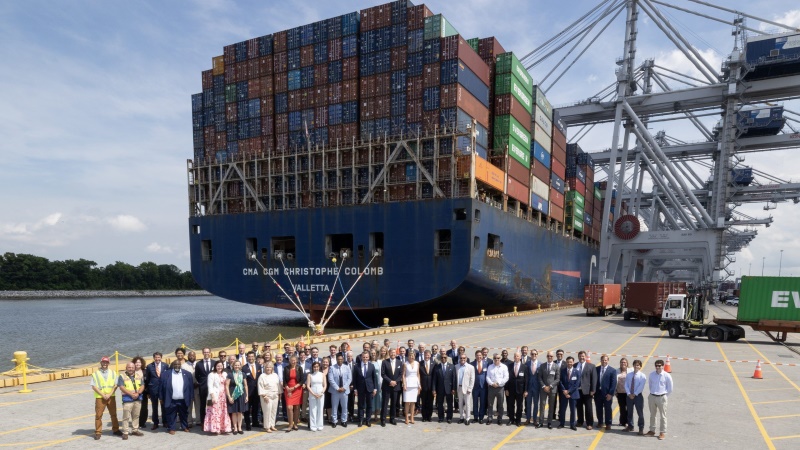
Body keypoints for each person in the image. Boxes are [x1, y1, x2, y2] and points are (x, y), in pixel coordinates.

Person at [160, 360, 194, 434]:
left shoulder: (187, 374)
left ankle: (185, 426)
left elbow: (191, 387)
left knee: (184, 414)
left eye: (178, 365)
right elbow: (161, 387)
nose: (177, 366)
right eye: (175, 365)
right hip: (171, 399)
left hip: (183, 399)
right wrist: (161, 398)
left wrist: (191, 397)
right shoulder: (165, 374)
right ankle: (171, 428)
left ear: (180, 365)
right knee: (171, 415)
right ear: (173, 365)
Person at [90, 356, 120, 440]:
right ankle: (98, 432)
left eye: (106, 362)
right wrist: (103, 395)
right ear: (101, 363)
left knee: (113, 414)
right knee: (98, 416)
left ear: (108, 363)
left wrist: (109, 394)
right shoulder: (95, 374)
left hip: (111, 397)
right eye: (103, 362)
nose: (105, 364)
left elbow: (116, 385)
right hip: (100, 397)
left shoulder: (113, 373)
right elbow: (93, 386)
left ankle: (116, 429)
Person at [647, 359, 673, 440]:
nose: (658, 367)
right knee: (652, 415)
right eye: (656, 366)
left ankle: (662, 432)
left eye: (659, 366)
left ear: (662, 366)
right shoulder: (651, 375)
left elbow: (670, 388)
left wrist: (664, 396)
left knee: (663, 416)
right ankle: (652, 430)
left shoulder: (667, 375)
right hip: (652, 396)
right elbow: (650, 385)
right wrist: (653, 394)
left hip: (662, 397)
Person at [117, 362, 144, 440]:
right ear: (126, 368)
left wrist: (138, 393)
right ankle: (125, 432)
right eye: (129, 367)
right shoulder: (122, 376)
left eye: (132, 367)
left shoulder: (138, 376)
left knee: (136, 416)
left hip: (137, 398)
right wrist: (131, 394)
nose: (131, 369)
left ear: (134, 368)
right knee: (126, 417)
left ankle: (135, 430)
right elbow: (121, 387)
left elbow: (142, 385)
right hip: (127, 399)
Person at [204, 361, 231, 435]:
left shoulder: (225, 374)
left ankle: (223, 427)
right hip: (215, 396)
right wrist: (212, 396)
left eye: (221, 366)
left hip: (224, 396)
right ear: (215, 366)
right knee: (215, 413)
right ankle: (216, 429)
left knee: (223, 412)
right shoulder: (211, 374)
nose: (220, 367)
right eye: (218, 366)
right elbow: (210, 386)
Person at [143, 352, 168, 430]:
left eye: (159, 357)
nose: (157, 359)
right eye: (156, 357)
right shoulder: (149, 366)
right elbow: (147, 379)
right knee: (154, 407)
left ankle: (165, 422)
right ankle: (155, 423)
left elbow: (168, 377)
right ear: (154, 358)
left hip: (163, 389)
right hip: (153, 389)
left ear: (161, 357)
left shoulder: (165, 365)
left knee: (164, 406)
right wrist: (147, 392)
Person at [353, 350, 376, 427]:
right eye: (364, 357)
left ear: (369, 357)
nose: (365, 358)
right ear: (361, 357)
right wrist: (355, 389)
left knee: (369, 405)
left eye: (366, 357)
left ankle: (368, 420)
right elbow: (355, 379)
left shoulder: (372, 366)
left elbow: (374, 378)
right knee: (361, 405)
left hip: (369, 388)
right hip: (360, 388)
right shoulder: (356, 366)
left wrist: (375, 388)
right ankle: (361, 420)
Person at [537, 351, 560, 429]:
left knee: (551, 406)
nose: (549, 357)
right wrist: (544, 386)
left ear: (553, 357)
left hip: (552, 389)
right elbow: (539, 377)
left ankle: (549, 422)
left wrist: (550, 386)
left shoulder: (556, 366)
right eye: (548, 356)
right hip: (543, 389)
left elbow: (557, 379)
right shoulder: (542, 366)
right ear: (546, 357)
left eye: (551, 356)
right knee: (542, 406)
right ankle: (541, 422)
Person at [380, 348, 403, 426]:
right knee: (385, 404)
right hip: (386, 386)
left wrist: (395, 382)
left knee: (394, 403)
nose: (393, 354)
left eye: (394, 353)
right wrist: (390, 381)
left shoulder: (400, 362)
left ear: (396, 353)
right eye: (391, 353)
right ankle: (383, 419)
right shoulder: (384, 362)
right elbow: (383, 374)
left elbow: (401, 374)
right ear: (389, 353)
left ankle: (392, 418)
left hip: (396, 386)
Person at [595, 354, 618, 431]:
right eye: (603, 360)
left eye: (605, 360)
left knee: (608, 409)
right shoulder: (596, 369)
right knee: (598, 408)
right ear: (600, 361)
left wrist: (610, 394)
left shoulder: (612, 370)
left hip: (607, 394)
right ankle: (600, 422)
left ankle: (608, 423)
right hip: (598, 393)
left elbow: (613, 383)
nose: (604, 361)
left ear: (608, 361)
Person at [575, 350, 597, 430]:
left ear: (585, 357)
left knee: (588, 408)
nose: (582, 357)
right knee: (579, 407)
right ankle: (580, 421)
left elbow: (594, 379)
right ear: (578, 357)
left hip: (587, 391)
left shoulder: (591, 366)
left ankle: (589, 423)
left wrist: (593, 390)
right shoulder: (575, 365)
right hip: (577, 390)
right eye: (580, 356)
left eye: (583, 356)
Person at [433, 351, 456, 424]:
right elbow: (434, 380)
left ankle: (449, 418)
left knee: (449, 404)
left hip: (449, 389)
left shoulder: (452, 366)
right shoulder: (437, 367)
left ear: (447, 358)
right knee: (440, 404)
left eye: (445, 357)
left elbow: (454, 379)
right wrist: (434, 389)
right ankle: (441, 417)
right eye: (442, 357)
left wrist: (453, 388)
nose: (443, 358)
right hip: (440, 389)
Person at [505, 351, 528, 426]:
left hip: (520, 390)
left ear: (520, 357)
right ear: (513, 357)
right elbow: (507, 378)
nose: (516, 357)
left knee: (519, 406)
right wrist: (506, 389)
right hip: (511, 390)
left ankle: (518, 420)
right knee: (511, 405)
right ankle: (511, 419)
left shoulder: (524, 367)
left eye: (517, 356)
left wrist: (525, 390)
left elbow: (526, 380)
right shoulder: (510, 366)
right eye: (515, 356)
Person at [328, 354, 351, 428]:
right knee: (334, 407)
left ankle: (344, 420)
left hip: (344, 391)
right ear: (336, 360)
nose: (340, 360)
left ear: (343, 360)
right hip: (335, 391)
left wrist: (344, 387)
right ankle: (334, 421)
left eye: (341, 359)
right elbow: (330, 379)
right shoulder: (332, 368)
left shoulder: (347, 367)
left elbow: (349, 379)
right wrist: (337, 388)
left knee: (344, 407)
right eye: (338, 359)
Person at [624, 359, 647, 435]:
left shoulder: (642, 376)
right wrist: (629, 393)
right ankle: (630, 425)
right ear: (633, 365)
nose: (636, 366)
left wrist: (634, 394)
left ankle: (641, 427)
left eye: (638, 365)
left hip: (638, 396)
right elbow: (626, 385)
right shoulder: (629, 375)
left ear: (640, 367)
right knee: (629, 412)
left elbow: (641, 387)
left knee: (640, 413)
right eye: (635, 365)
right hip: (629, 395)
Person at [258, 361, 281, 433]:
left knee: (274, 411)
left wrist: (279, 395)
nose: (268, 369)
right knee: (267, 411)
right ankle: (267, 426)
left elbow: (278, 385)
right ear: (265, 368)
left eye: (270, 367)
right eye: (267, 367)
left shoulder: (275, 375)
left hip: (275, 395)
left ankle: (272, 425)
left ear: (272, 368)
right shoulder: (262, 376)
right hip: (267, 396)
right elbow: (260, 387)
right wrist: (264, 396)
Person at [226, 360, 248, 434]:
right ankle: (235, 428)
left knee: (240, 412)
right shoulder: (230, 375)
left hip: (241, 394)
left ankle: (240, 428)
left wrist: (247, 396)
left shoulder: (243, 374)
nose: (237, 366)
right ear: (233, 366)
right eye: (235, 365)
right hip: (233, 395)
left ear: (240, 366)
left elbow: (245, 385)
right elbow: (226, 386)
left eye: (238, 365)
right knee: (234, 412)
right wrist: (229, 397)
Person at [486, 353, 508, 425]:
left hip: (500, 388)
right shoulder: (490, 367)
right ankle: (489, 418)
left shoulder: (504, 367)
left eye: (498, 358)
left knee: (500, 404)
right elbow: (487, 377)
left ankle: (500, 418)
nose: (496, 359)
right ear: (493, 359)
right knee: (490, 404)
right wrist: (492, 383)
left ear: (500, 359)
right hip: (491, 387)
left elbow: (506, 377)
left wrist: (498, 383)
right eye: (495, 358)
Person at [559, 356, 581, 430]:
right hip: (564, 394)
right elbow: (560, 381)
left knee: (573, 410)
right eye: (568, 362)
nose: (569, 363)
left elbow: (577, 384)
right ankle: (562, 423)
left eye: (571, 362)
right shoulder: (562, 371)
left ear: (573, 362)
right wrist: (564, 391)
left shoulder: (577, 372)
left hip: (573, 394)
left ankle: (572, 424)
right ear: (566, 362)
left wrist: (568, 391)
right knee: (562, 409)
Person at [242, 351, 262, 430]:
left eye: (252, 356)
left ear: (255, 357)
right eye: (249, 357)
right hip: (248, 392)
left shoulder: (258, 366)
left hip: (257, 391)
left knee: (256, 408)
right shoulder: (244, 368)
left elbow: (260, 378)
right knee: (247, 408)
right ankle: (247, 423)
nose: (251, 358)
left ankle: (255, 422)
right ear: (247, 357)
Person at [284, 355, 304, 432]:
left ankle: (295, 424)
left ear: (296, 360)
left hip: (297, 389)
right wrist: (288, 388)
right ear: (289, 361)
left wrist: (294, 387)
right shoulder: (286, 368)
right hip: (288, 389)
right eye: (291, 360)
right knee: (289, 407)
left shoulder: (299, 368)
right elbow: (284, 380)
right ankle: (290, 424)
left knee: (296, 407)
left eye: (294, 360)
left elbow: (302, 380)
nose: (293, 362)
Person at [195, 347, 214, 426]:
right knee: (202, 405)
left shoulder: (214, 362)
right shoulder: (199, 364)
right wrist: (201, 383)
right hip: (202, 387)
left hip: (212, 388)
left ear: (210, 353)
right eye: (205, 352)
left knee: (212, 404)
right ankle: (203, 422)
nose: (206, 353)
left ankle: (212, 421)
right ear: (202, 353)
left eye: (207, 352)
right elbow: (197, 375)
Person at [306, 361, 327, 431]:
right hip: (312, 393)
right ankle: (313, 425)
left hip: (321, 393)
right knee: (312, 409)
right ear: (312, 367)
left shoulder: (322, 374)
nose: (316, 368)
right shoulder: (310, 375)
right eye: (314, 367)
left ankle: (320, 425)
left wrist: (321, 393)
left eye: (317, 367)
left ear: (319, 367)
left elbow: (325, 385)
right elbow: (308, 386)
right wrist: (313, 394)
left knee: (320, 409)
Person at [456, 353, 476, 425]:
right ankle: (461, 417)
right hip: (459, 388)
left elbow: (472, 379)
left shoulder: (470, 367)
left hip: (467, 388)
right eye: (461, 358)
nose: (462, 359)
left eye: (464, 358)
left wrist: (470, 388)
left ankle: (467, 418)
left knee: (467, 404)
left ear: (466, 359)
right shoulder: (456, 366)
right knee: (460, 403)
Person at [402, 349, 420, 425]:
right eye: (410, 356)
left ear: (414, 356)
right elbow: (403, 375)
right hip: (408, 383)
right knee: (407, 402)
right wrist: (404, 384)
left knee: (413, 402)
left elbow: (418, 374)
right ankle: (406, 417)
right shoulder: (405, 364)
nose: (411, 357)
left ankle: (412, 417)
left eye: (412, 356)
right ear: (408, 356)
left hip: (415, 384)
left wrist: (419, 385)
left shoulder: (417, 364)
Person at [524, 349, 541, 426]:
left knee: (536, 404)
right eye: (532, 354)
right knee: (528, 404)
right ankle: (528, 419)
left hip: (537, 387)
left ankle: (534, 419)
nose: (534, 355)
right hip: (529, 387)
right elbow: (526, 377)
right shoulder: (527, 364)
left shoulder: (540, 364)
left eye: (535, 354)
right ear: (530, 355)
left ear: (537, 355)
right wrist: (525, 389)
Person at [471, 350, 488, 424]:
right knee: (475, 402)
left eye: (480, 355)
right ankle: (475, 417)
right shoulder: (472, 364)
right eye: (477, 355)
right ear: (475, 356)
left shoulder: (486, 364)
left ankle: (481, 417)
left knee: (482, 402)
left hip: (483, 386)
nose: (479, 357)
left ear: (482, 356)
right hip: (475, 386)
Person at [184, 350, 200, 427]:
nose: (192, 357)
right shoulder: (184, 365)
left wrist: (198, 383)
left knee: (198, 404)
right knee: (189, 406)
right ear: (188, 357)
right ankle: (189, 421)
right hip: (188, 388)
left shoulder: (199, 364)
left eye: (193, 355)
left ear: (195, 356)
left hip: (197, 387)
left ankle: (198, 420)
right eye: (190, 356)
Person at [132, 356, 148, 431]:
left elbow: (148, 382)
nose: (138, 364)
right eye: (136, 362)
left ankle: (142, 422)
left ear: (142, 363)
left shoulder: (145, 371)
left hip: (144, 392)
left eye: (139, 362)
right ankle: (135, 422)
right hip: (134, 392)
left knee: (144, 408)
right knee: (135, 408)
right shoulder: (131, 371)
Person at [419, 349, 435, 422]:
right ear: (424, 355)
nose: (427, 356)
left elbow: (435, 376)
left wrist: (434, 388)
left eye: (428, 355)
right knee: (424, 402)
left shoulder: (434, 363)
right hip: (423, 386)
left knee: (430, 402)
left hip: (431, 386)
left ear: (430, 355)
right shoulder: (420, 363)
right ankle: (424, 416)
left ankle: (429, 416)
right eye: (425, 355)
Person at [616, 358, 629, 429]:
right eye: (622, 362)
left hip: (628, 393)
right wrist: (615, 392)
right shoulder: (617, 371)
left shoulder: (630, 371)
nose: (623, 363)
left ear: (627, 363)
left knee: (628, 408)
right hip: (620, 392)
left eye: (624, 362)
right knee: (622, 408)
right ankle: (622, 422)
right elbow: (614, 381)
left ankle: (627, 422)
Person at [369, 350, 382, 423]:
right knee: (371, 398)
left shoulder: (379, 362)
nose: (373, 354)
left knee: (377, 398)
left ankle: (376, 415)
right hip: (370, 382)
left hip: (377, 382)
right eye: (372, 353)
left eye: (374, 353)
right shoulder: (368, 362)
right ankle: (370, 414)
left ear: (376, 354)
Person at [321, 357, 332, 423]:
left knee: (329, 404)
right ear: (322, 362)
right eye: (324, 362)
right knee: (321, 404)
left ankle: (329, 418)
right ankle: (321, 418)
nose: (325, 363)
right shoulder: (318, 369)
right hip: (320, 389)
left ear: (329, 363)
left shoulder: (331, 369)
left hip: (329, 389)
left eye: (326, 362)